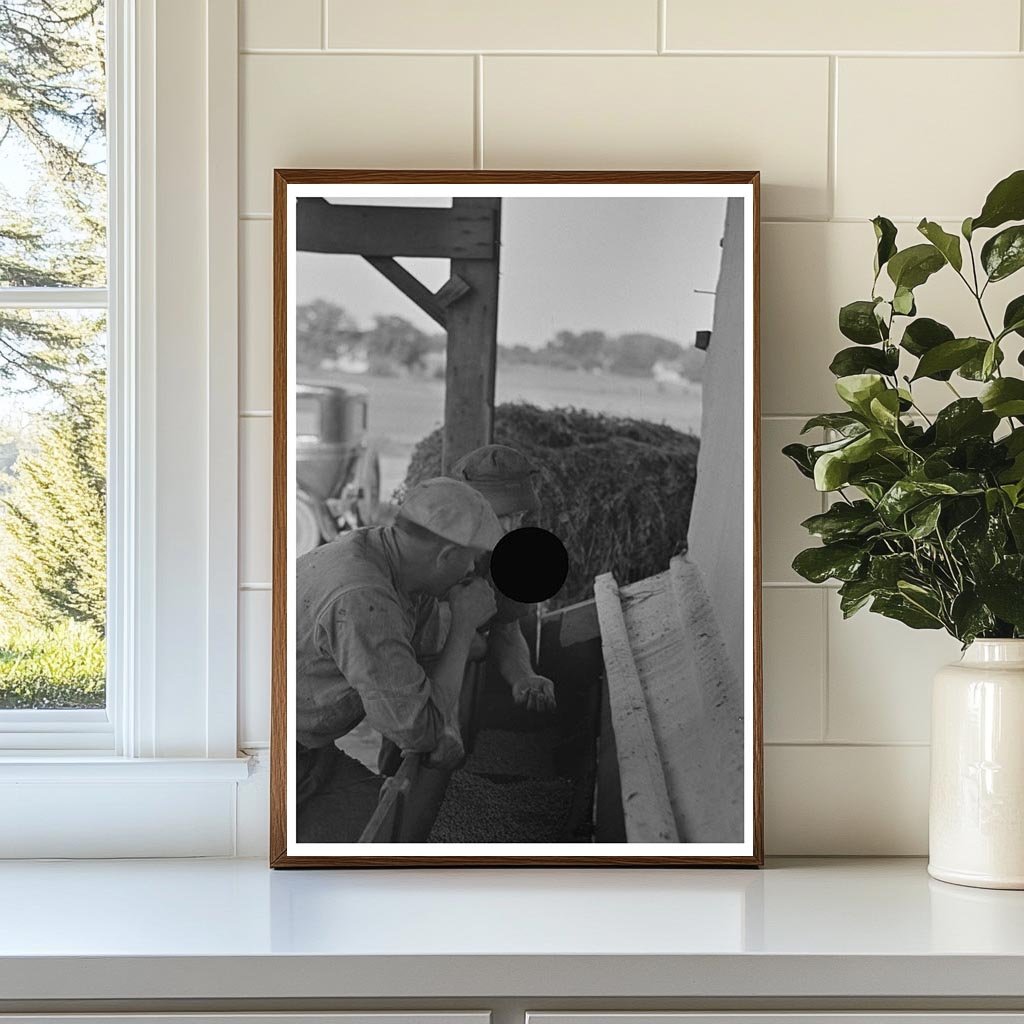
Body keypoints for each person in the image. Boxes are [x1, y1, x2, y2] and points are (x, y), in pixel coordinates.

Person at [294, 476, 501, 843]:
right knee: (389, 835)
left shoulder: (391, 561)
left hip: (307, 748)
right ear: (447, 557)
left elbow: (428, 651)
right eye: (471, 562)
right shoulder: (364, 597)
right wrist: (464, 626)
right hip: (274, 759)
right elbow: (417, 730)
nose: (470, 573)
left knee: (390, 816)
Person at [451, 444, 558, 714]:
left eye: (518, 516)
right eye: (501, 516)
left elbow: (507, 631)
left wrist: (523, 677)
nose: (511, 528)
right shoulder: (435, 551)